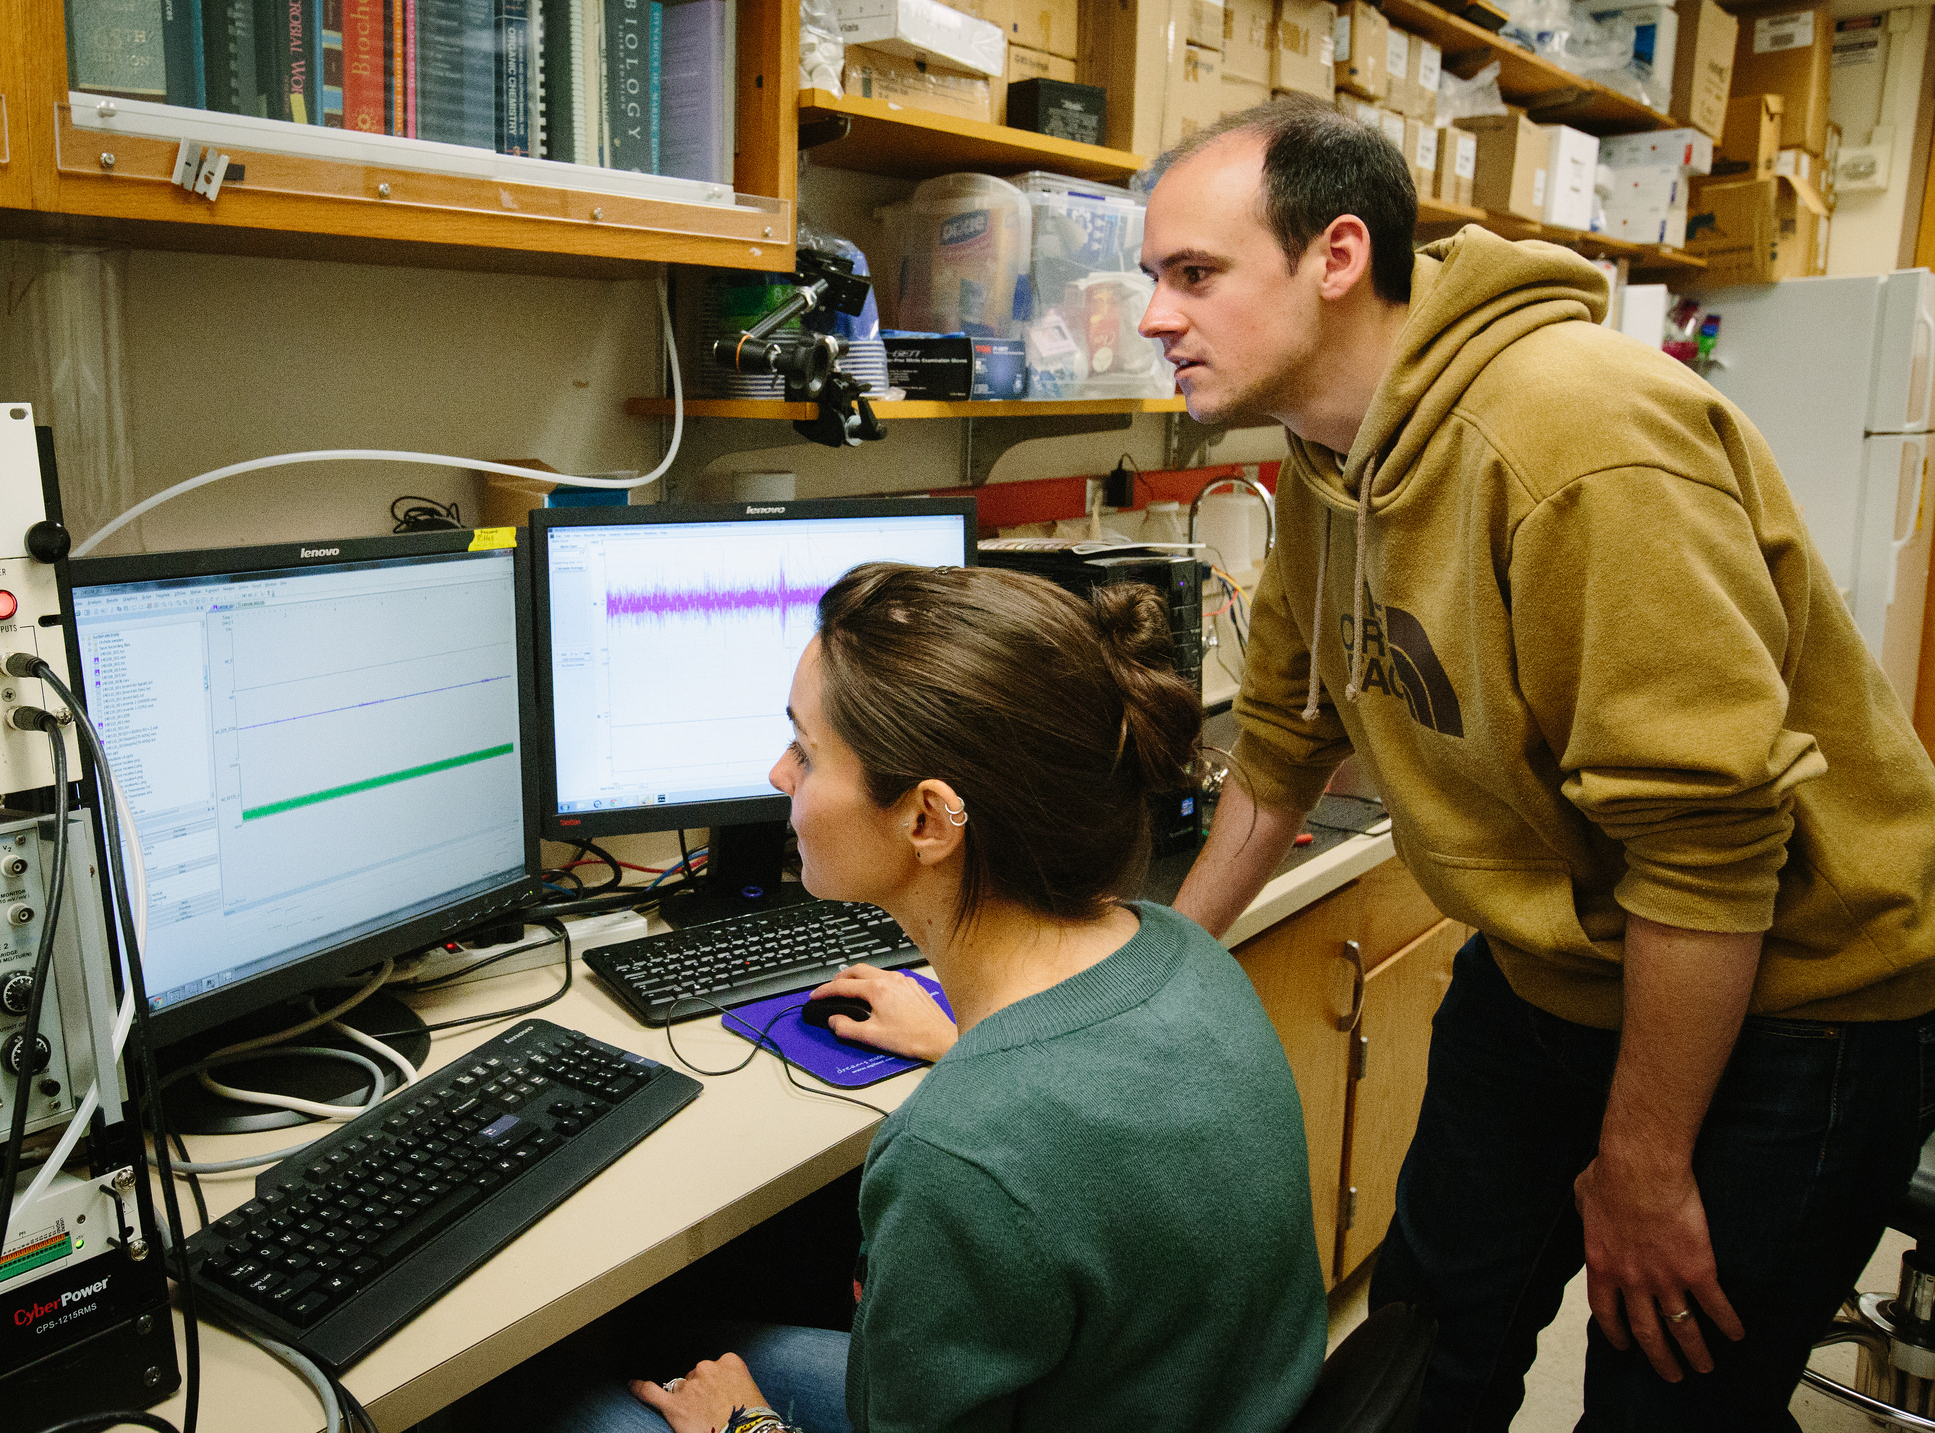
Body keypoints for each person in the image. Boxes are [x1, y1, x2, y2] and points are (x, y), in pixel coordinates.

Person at [1140, 92, 1935, 1430]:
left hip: (1795, 998)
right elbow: (1282, 746)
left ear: (1337, 257)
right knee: (1425, 1343)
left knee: (1662, 1394)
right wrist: (1143, 980)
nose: (1157, 314)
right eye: (1155, 277)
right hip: (1551, 968)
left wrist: (1643, 1159)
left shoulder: (1578, 435)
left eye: (1194, 275)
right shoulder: (1332, 457)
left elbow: (1704, 838)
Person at [512, 562, 1327, 1433]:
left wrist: (747, 1427)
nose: (779, 773)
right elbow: (1090, 1121)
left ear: (929, 820)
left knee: (554, 1398)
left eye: (808, 750)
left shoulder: (958, 1154)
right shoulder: (1181, 952)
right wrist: (961, 1042)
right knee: (676, 1339)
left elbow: (1006, 1152)